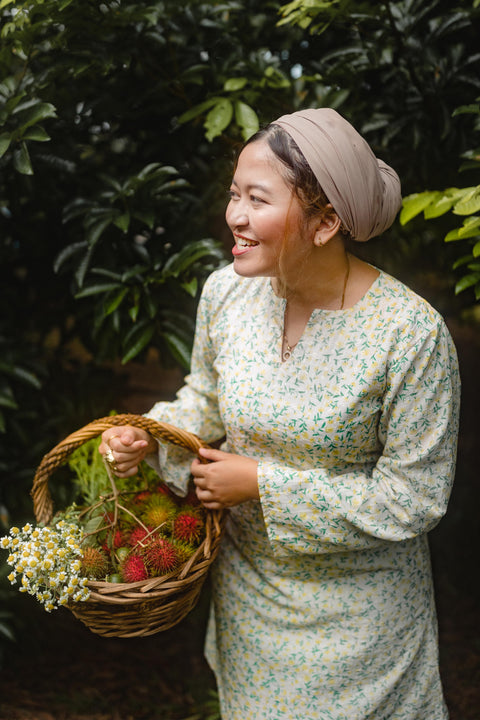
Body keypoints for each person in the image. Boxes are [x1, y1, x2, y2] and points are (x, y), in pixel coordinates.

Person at [99, 108, 460, 720]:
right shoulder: (227, 294)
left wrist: (263, 484)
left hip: (363, 628)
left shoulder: (410, 334)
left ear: (325, 222)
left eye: (256, 199)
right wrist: (150, 435)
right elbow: (205, 398)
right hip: (249, 602)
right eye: (234, 194)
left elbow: (415, 496)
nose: (233, 216)